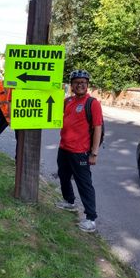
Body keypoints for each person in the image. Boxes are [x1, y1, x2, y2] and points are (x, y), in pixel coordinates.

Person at [55, 69, 103, 233]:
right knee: (63, 176)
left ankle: (91, 218)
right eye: (77, 82)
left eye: (83, 82)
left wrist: (94, 153)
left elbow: (97, 128)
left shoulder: (92, 103)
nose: (80, 85)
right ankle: (69, 201)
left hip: (80, 151)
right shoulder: (68, 101)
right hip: (64, 148)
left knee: (84, 183)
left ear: (87, 85)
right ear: (72, 86)